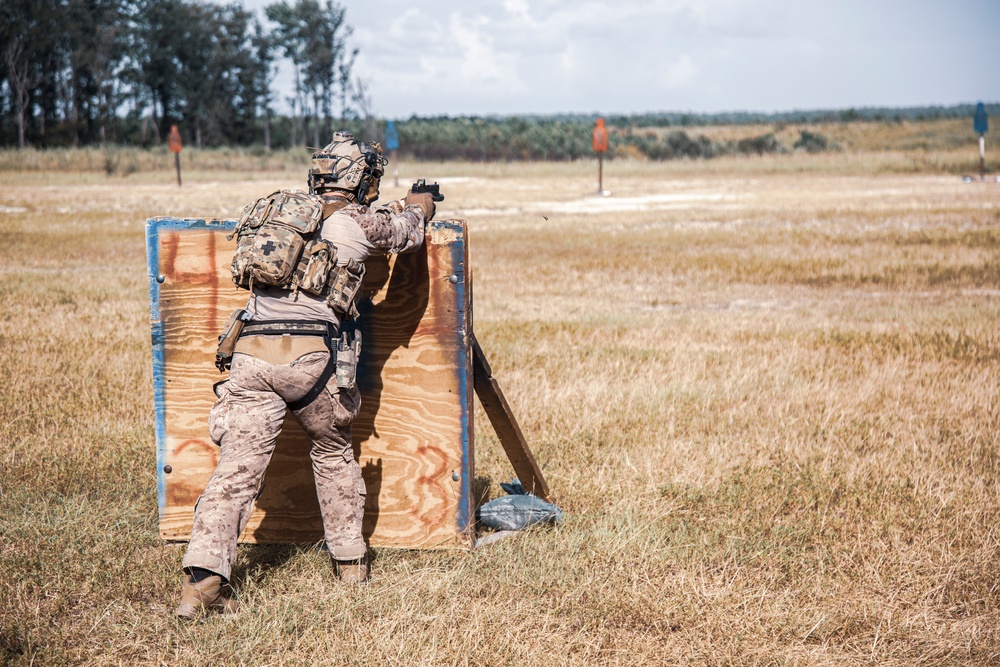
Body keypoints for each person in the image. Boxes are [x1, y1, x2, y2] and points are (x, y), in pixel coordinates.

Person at [175, 131, 436, 619]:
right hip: (313, 359)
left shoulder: (275, 213)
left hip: (250, 354)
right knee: (333, 453)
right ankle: (351, 567)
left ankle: (202, 585)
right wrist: (420, 202)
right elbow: (408, 231)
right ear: (361, 182)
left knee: (234, 473)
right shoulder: (358, 219)